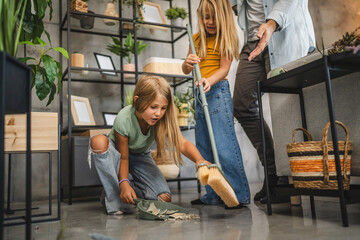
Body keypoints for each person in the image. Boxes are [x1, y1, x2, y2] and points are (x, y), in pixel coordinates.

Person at [229, 0, 315, 203]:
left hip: (283, 35)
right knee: (243, 106)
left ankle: (291, 177)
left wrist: (271, 23)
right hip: (252, 41)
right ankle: (274, 174)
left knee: (286, 105)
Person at [89, 75, 211, 215]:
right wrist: (123, 182)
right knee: (98, 141)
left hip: (140, 155)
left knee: (163, 199)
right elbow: (123, 158)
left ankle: (127, 190)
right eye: (153, 107)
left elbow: (182, 143)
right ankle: (115, 196)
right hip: (118, 154)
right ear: (137, 101)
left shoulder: (162, 120)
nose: (158, 113)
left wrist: (199, 160)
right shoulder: (124, 118)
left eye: (163, 108)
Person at [182, 0, 250, 208]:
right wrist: (186, 64)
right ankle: (212, 195)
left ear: (223, 17)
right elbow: (187, 70)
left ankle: (238, 194)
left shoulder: (225, 38)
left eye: (214, 17)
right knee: (204, 147)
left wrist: (208, 81)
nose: (210, 21)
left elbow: (224, 69)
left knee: (223, 146)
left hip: (217, 93)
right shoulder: (195, 40)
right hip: (199, 94)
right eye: (206, 17)